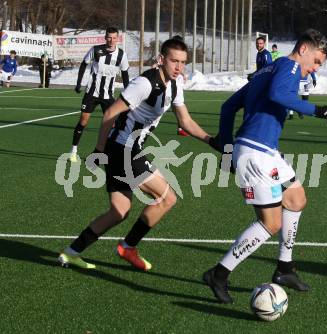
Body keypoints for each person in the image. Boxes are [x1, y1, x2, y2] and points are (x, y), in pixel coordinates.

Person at [59, 37, 220, 271]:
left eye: (183, 62)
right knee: (168, 198)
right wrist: (99, 150)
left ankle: (71, 252)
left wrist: (210, 140)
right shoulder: (145, 83)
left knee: (119, 212)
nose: (179, 67)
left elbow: (184, 120)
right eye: (174, 61)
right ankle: (128, 247)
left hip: (126, 149)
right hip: (122, 149)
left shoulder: (176, 85)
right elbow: (110, 113)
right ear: (161, 59)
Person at [203, 29, 327, 304]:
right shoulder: (288, 66)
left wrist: (228, 149)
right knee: (270, 224)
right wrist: (317, 110)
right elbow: (279, 95)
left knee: (296, 198)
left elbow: (228, 107)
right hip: (256, 155)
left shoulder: (267, 69)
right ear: (303, 49)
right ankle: (219, 274)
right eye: (315, 62)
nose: (314, 69)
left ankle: (284, 269)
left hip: (264, 152)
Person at [69, 27, 130, 163]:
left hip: (108, 95)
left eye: (114, 38)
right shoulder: (96, 50)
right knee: (83, 121)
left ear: (117, 39)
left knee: (112, 125)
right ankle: (73, 151)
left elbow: (125, 75)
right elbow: (84, 64)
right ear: (105, 37)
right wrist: (79, 83)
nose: (111, 40)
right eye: (109, 37)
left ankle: (105, 153)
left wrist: (128, 93)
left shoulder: (122, 55)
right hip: (91, 92)